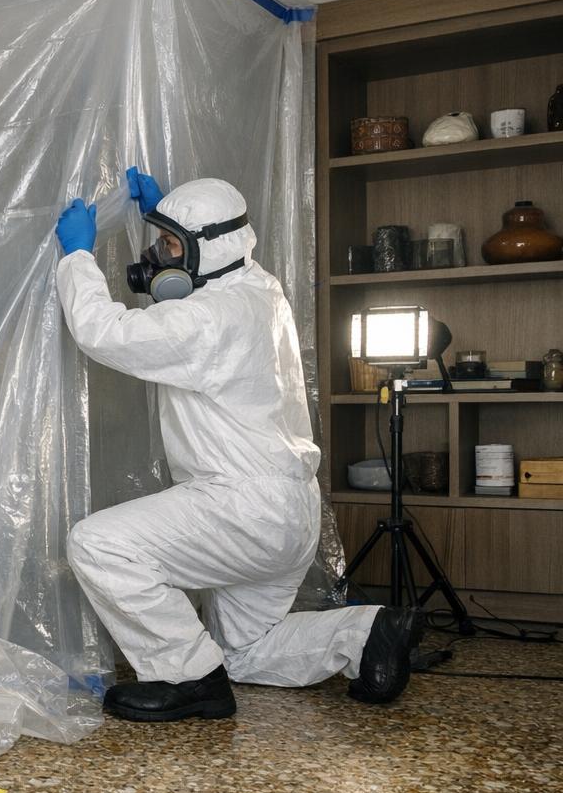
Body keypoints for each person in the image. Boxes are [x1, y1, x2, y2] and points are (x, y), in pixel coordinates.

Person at [52, 172, 421, 722]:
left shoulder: (208, 318)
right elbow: (208, 266)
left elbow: (106, 333)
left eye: (171, 246)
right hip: (289, 513)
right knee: (244, 651)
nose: (159, 257)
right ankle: (366, 631)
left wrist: (77, 256)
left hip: (241, 508)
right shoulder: (259, 288)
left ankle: (188, 677)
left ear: (208, 248)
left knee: (99, 545)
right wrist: (173, 218)